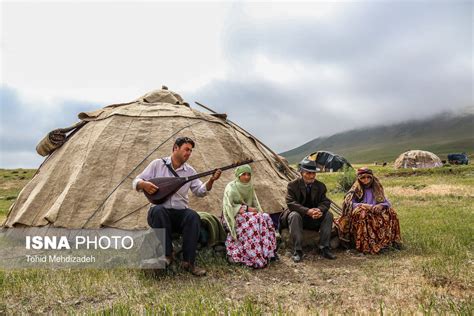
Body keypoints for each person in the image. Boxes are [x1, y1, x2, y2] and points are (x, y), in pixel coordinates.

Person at [133, 137, 221, 276]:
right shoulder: (157, 164)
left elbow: (200, 191)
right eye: (186, 149)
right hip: (160, 213)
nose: (189, 153)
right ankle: (168, 255)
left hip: (180, 214)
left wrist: (211, 180)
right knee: (158, 210)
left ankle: (189, 262)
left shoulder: (190, 171)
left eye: (191, 151)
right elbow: (136, 181)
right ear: (175, 148)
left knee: (193, 216)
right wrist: (143, 184)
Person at [280, 158, 336, 262]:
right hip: (299, 217)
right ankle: (297, 250)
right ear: (301, 173)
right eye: (308, 173)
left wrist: (319, 210)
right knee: (294, 215)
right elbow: (291, 203)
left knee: (328, 215)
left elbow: (325, 201)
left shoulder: (320, 186)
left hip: (313, 218)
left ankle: (324, 248)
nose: (312, 176)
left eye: (313, 173)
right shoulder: (292, 185)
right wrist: (307, 211)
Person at [222, 164, 277, 268]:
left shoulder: (250, 186)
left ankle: (268, 252)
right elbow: (227, 206)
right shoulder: (231, 187)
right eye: (244, 174)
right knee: (255, 220)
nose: (247, 177)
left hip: (249, 215)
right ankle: (251, 255)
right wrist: (244, 208)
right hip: (233, 215)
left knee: (265, 217)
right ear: (238, 175)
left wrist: (256, 211)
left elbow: (255, 202)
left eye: (249, 174)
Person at [338, 167, 402, 254]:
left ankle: (390, 242)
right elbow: (348, 204)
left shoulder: (376, 188)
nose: (366, 180)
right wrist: (363, 205)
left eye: (368, 177)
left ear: (372, 178)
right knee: (363, 213)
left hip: (376, 211)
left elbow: (386, 202)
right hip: (362, 212)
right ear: (359, 179)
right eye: (363, 177)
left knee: (392, 212)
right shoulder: (355, 189)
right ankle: (366, 246)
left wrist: (381, 205)